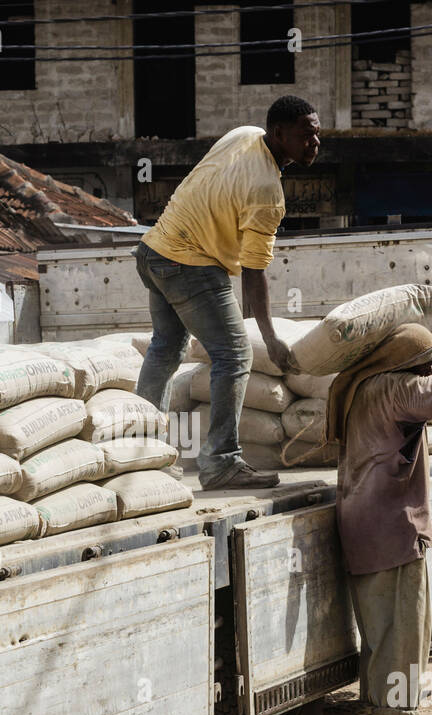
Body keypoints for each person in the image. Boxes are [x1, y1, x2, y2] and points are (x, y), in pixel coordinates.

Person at [134, 95, 321, 490]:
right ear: (278, 134)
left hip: (153, 250)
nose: (314, 144)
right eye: (306, 136)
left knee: (165, 349)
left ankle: (141, 455)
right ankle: (221, 462)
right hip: (190, 263)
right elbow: (253, 275)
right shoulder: (268, 193)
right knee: (235, 354)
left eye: (317, 135)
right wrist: (270, 339)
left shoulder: (244, 134)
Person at [328, 301, 432, 715]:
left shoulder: (362, 387)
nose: (430, 367)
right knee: (402, 636)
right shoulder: (399, 389)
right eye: (426, 361)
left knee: (378, 633)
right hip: (393, 529)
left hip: (360, 525)